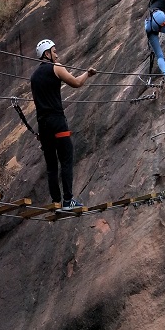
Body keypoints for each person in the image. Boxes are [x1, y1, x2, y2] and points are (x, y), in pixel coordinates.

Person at [30, 39, 97, 210]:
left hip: (43, 126)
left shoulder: (33, 77)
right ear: (47, 54)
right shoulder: (56, 67)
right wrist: (87, 74)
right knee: (66, 159)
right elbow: (76, 83)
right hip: (57, 123)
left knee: (52, 166)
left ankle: (56, 202)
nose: (57, 54)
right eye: (54, 50)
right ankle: (68, 200)